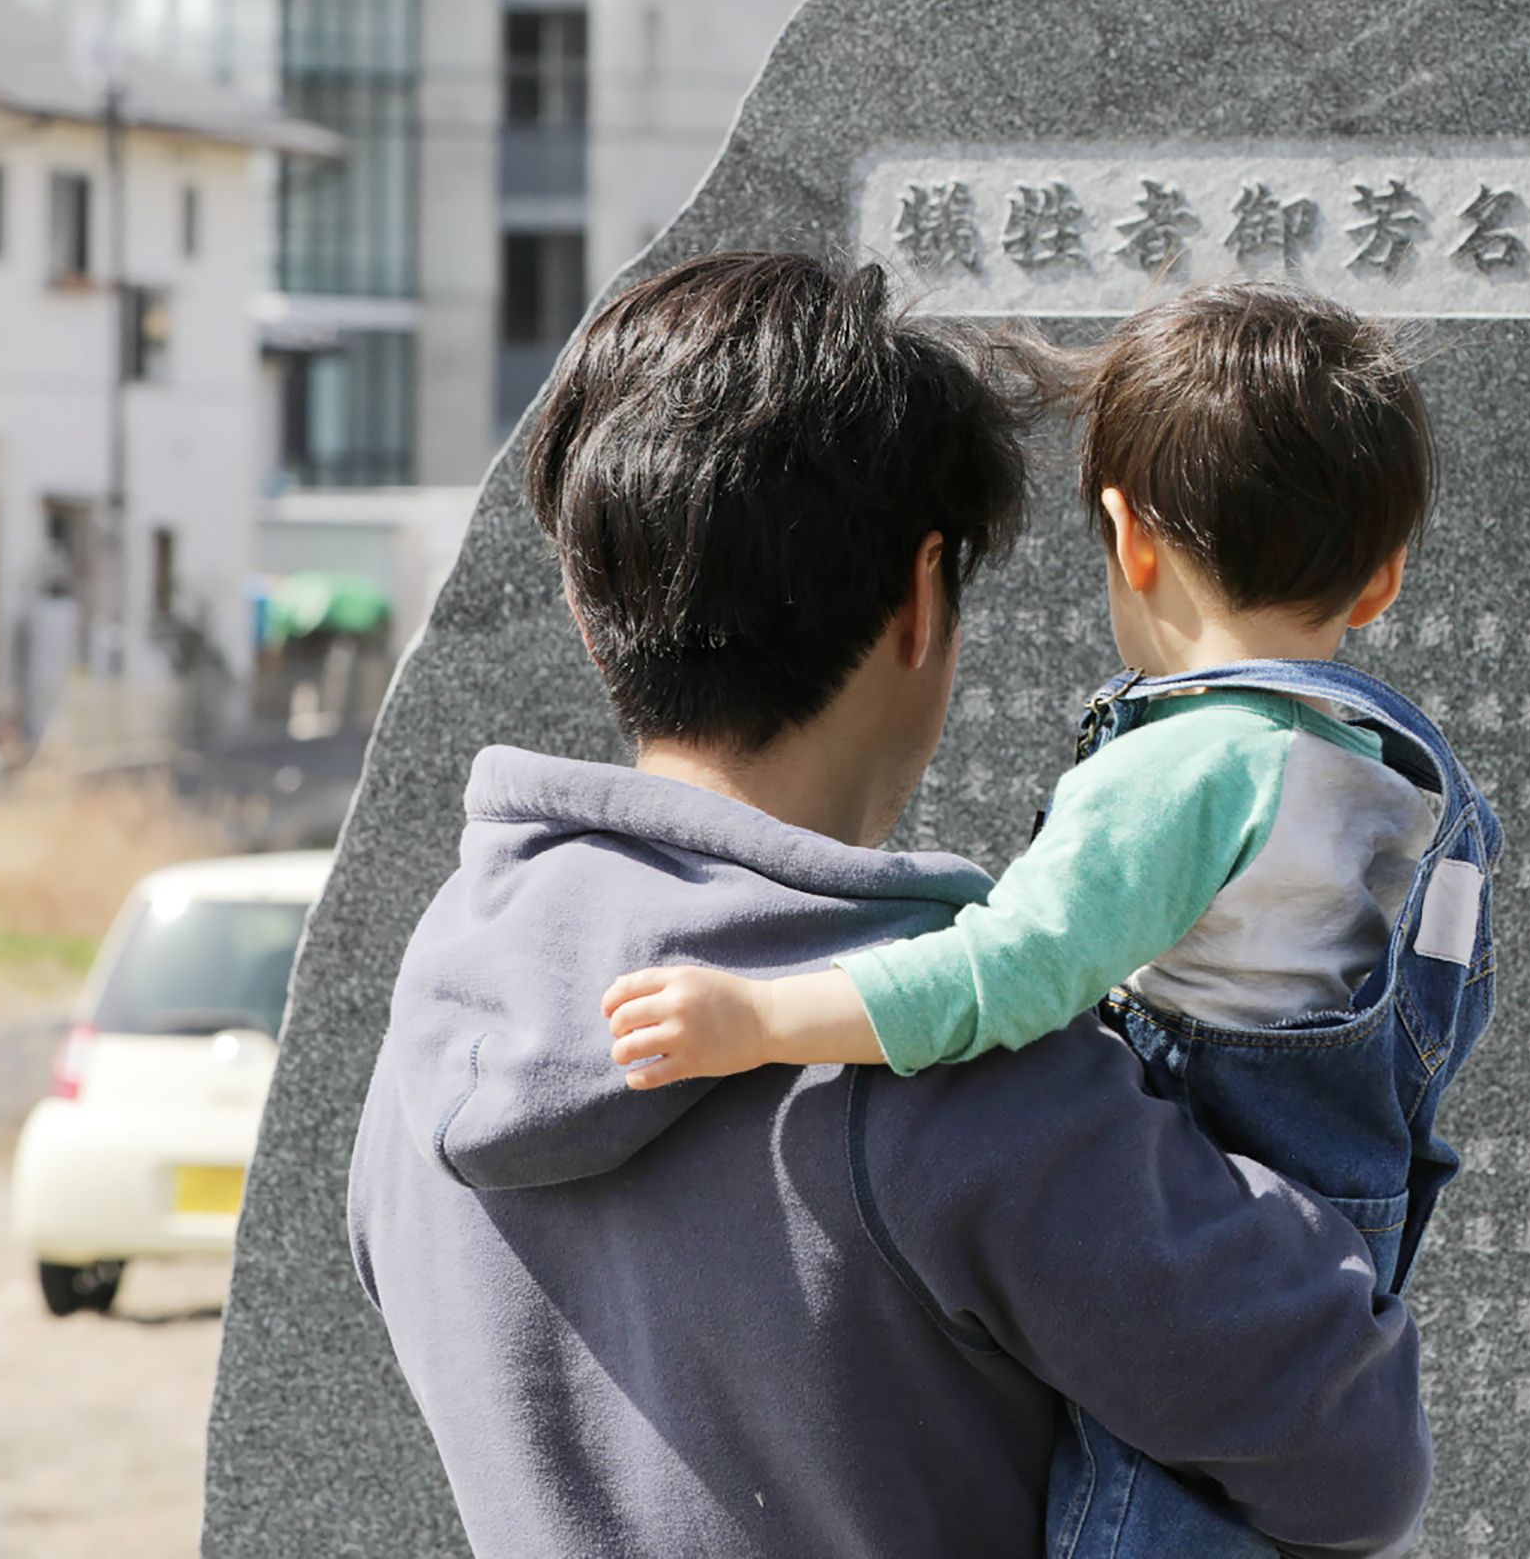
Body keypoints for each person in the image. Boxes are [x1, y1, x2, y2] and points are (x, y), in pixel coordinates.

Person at [348, 254, 1431, 1559]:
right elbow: (1357, 1460)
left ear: (592, 611)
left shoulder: (436, 1008)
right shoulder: (967, 1085)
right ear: (925, 600)